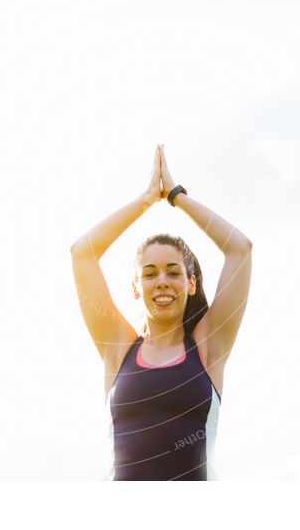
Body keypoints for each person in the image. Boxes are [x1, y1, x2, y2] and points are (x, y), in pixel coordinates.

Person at [70, 144, 252, 480]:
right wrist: (146, 199)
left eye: (173, 271)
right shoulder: (118, 349)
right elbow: (82, 253)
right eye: (150, 273)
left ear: (192, 283)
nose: (162, 281)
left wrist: (175, 196)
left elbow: (239, 249)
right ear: (136, 287)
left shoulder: (208, 348)